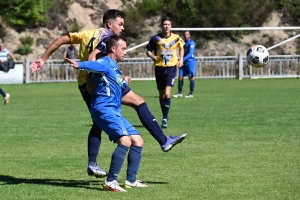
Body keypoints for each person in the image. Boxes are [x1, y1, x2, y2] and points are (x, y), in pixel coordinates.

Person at [30, 10, 187, 179]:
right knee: (137, 103)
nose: (122, 28)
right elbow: (93, 56)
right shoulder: (106, 36)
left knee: (100, 120)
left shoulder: (86, 34)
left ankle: (93, 163)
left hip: (87, 83)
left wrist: (43, 58)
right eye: (120, 24)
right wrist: (91, 78)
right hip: (99, 83)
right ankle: (162, 142)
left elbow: (61, 40)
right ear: (109, 24)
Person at [65, 35, 148, 192]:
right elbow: (93, 65)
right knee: (125, 141)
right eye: (123, 48)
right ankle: (111, 182)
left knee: (137, 140)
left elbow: (111, 84)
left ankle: (131, 180)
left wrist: (123, 82)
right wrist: (78, 64)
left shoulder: (115, 67)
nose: (126, 52)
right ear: (113, 49)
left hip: (114, 110)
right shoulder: (106, 62)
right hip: (104, 109)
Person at [146, 17, 185, 128]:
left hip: (171, 68)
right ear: (161, 26)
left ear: (171, 26)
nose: (166, 26)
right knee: (161, 94)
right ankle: (164, 114)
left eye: (168, 24)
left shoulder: (176, 38)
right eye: (164, 24)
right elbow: (148, 50)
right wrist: (153, 56)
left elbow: (181, 48)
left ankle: (164, 118)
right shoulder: (156, 38)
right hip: (159, 67)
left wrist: (181, 59)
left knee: (167, 93)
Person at [173, 31, 196, 98]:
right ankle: (179, 93)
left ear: (190, 35)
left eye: (187, 34)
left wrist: (181, 60)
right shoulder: (183, 43)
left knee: (191, 77)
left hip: (190, 62)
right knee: (180, 77)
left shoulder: (192, 43)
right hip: (183, 62)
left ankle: (191, 93)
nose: (186, 36)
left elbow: (190, 54)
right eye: (185, 35)